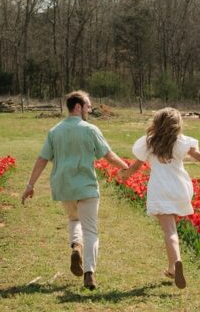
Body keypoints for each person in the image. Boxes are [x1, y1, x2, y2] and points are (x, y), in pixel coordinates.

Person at [117, 106, 200, 289]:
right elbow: (199, 156)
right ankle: (171, 267)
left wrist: (124, 174)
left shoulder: (149, 143)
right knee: (172, 229)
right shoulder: (182, 142)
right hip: (180, 188)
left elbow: (135, 166)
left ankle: (175, 265)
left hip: (161, 189)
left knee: (169, 231)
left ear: (156, 123)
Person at [22, 89, 129, 291]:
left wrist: (30, 185)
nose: (90, 109)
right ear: (78, 107)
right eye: (88, 106)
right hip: (86, 186)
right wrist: (127, 169)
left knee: (74, 220)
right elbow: (109, 155)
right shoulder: (90, 129)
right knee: (91, 230)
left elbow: (42, 159)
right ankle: (89, 273)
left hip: (64, 187)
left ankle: (76, 246)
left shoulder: (54, 131)